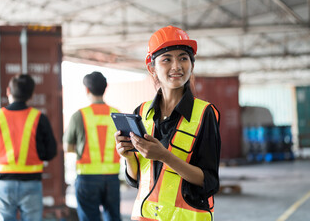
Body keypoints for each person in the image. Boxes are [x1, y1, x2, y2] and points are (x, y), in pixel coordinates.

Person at [115, 26, 221, 221]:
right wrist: (128, 156)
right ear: (152, 68)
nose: (176, 66)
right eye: (166, 59)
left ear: (192, 64)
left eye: (183, 58)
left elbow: (210, 182)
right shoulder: (142, 112)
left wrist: (165, 156)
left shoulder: (204, 114)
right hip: (144, 216)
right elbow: (136, 179)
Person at [0, 74, 57, 221]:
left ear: (8, 91)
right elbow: (51, 152)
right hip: (32, 183)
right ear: (32, 95)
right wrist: (36, 156)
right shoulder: (39, 117)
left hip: (4, 183)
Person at [63, 71, 121, 221]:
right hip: (112, 176)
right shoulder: (116, 114)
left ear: (87, 89)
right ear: (105, 87)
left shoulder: (79, 115)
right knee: (113, 217)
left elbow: (67, 147)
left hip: (87, 177)